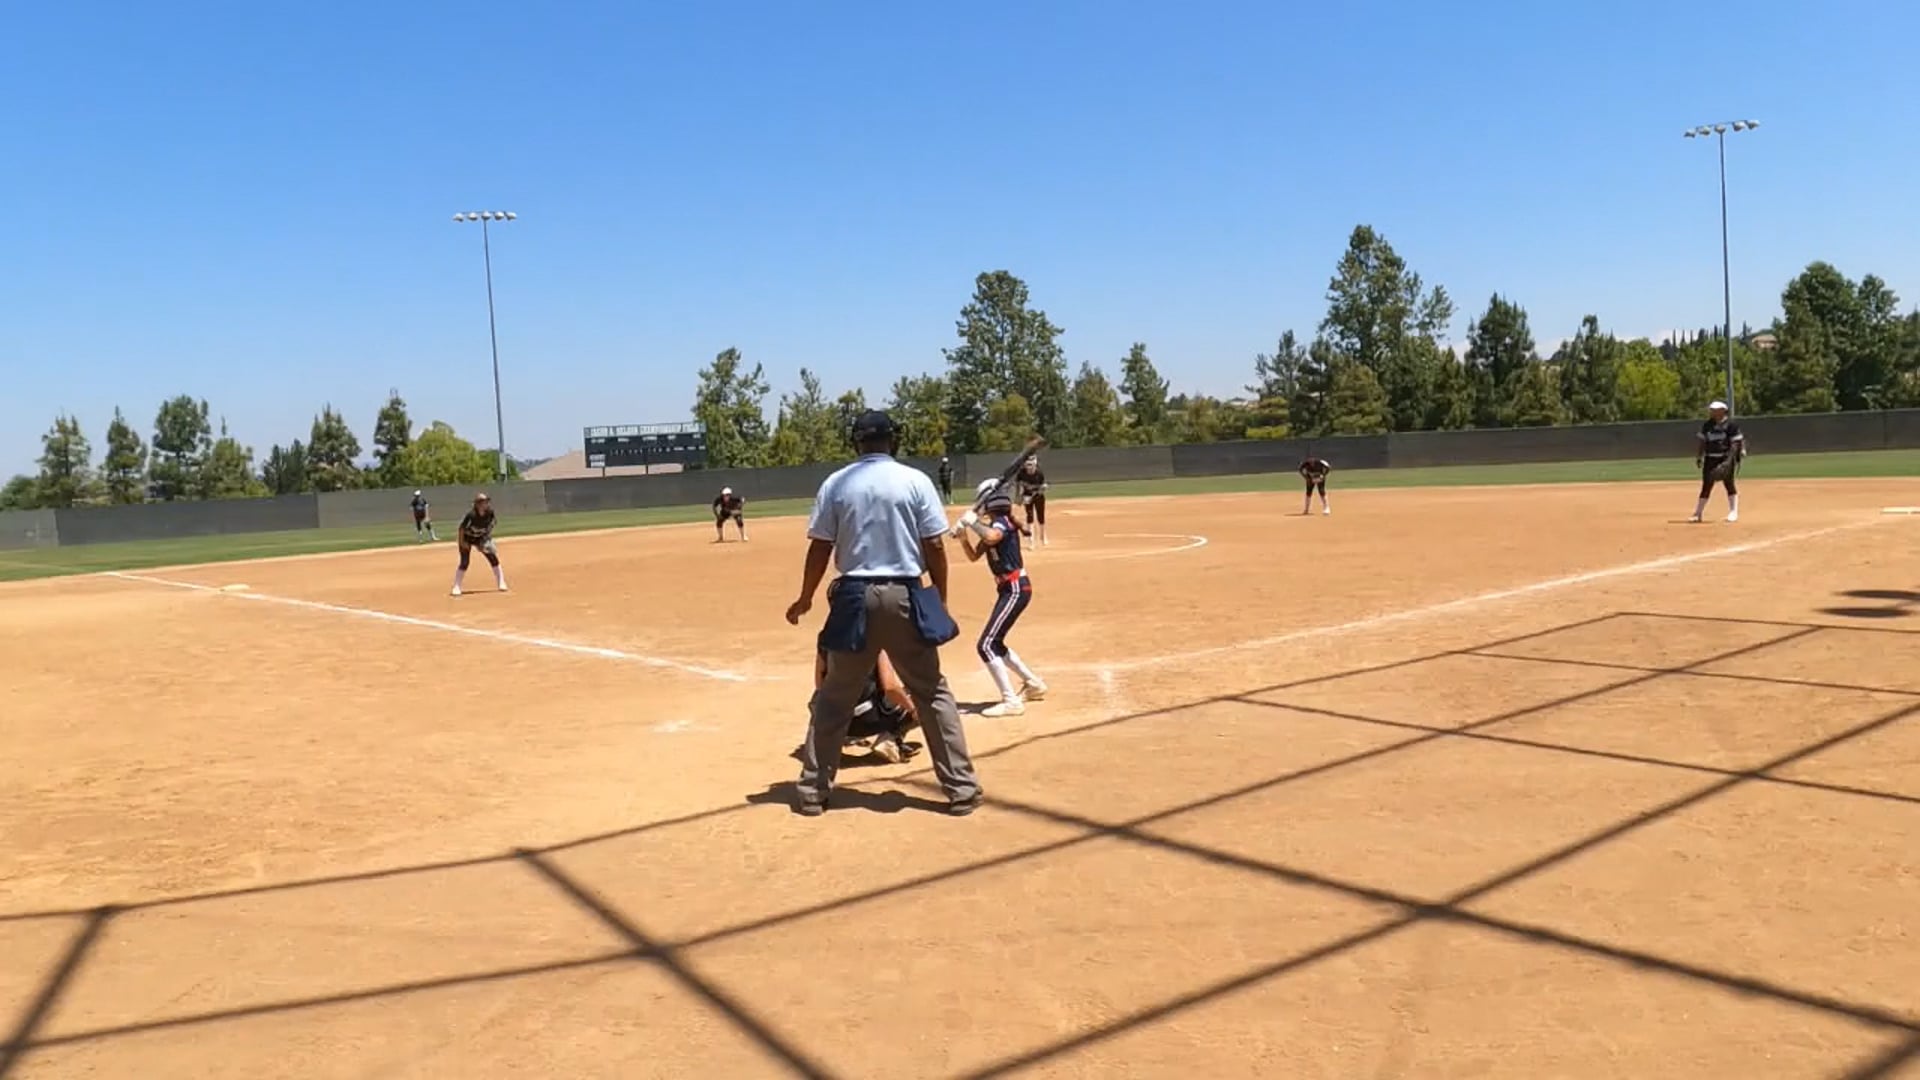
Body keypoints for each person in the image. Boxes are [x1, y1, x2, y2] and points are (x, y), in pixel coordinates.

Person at [785, 410, 981, 817]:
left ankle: (812, 792)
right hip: (904, 593)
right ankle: (961, 789)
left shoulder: (837, 483)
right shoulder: (915, 481)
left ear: (855, 442)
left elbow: (820, 547)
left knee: (834, 696)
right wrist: (939, 599)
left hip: (853, 597)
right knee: (931, 691)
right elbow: (935, 545)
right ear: (894, 439)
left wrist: (805, 598)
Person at [954, 479, 1047, 716]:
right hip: (1008, 589)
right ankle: (1033, 684)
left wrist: (973, 522)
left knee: (985, 645)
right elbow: (974, 555)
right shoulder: (992, 526)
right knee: (995, 643)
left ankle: (1010, 701)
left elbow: (993, 536)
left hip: (1015, 587)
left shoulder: (1002, 523)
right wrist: (963, 536)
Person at [811, 643, 922, 764]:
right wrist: (913, 710)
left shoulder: (826, 639)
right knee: (916, 696)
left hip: (834, 721)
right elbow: (890, 688)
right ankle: (890, 738)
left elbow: (819, 684)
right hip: (866, 720)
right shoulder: (875, 641)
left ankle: (843, 738)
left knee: (824, 697)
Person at [1691, 400, 1745, 523]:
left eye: (1715, 410)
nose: (1712, 412)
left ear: (1722, 411)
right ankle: (1698, 513)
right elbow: (1702, 442)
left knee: (1729, 483)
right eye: (1712, 410)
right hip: (1710, 458)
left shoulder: (1731, 425)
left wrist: (1733, 458)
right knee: (1707, 484)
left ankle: (1733, 512)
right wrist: (1699, 456)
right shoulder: (1707, 425)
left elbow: (1737, 442)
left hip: (1725, 457)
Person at [451, 493, 508, 596]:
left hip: (480, 538)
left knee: (492, 557)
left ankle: (501, 582)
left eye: (486, 501)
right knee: (465, 562)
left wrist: (486, 539)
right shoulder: (471, 515)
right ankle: (456, 586)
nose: (486, 504)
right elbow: (461, 529)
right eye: (483, 502)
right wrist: (462, 542)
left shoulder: (490, 513)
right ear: (477, 504)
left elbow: (492, 524)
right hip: (467, 538)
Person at [1016, 456, 1049, 546]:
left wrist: (1042, 488)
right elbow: (1018, 484)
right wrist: (1018, 497)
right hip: (1027, 496)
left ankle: (1042, 536)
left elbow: (1042, 488)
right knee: (1029, 515)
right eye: (1028, 465)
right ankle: (1031, 540)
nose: (1029, 468)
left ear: (1035, 464)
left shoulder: (1039, 473)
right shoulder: (1021, 473)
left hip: (1038, 496)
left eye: (1031, 465)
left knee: (1040, 516)